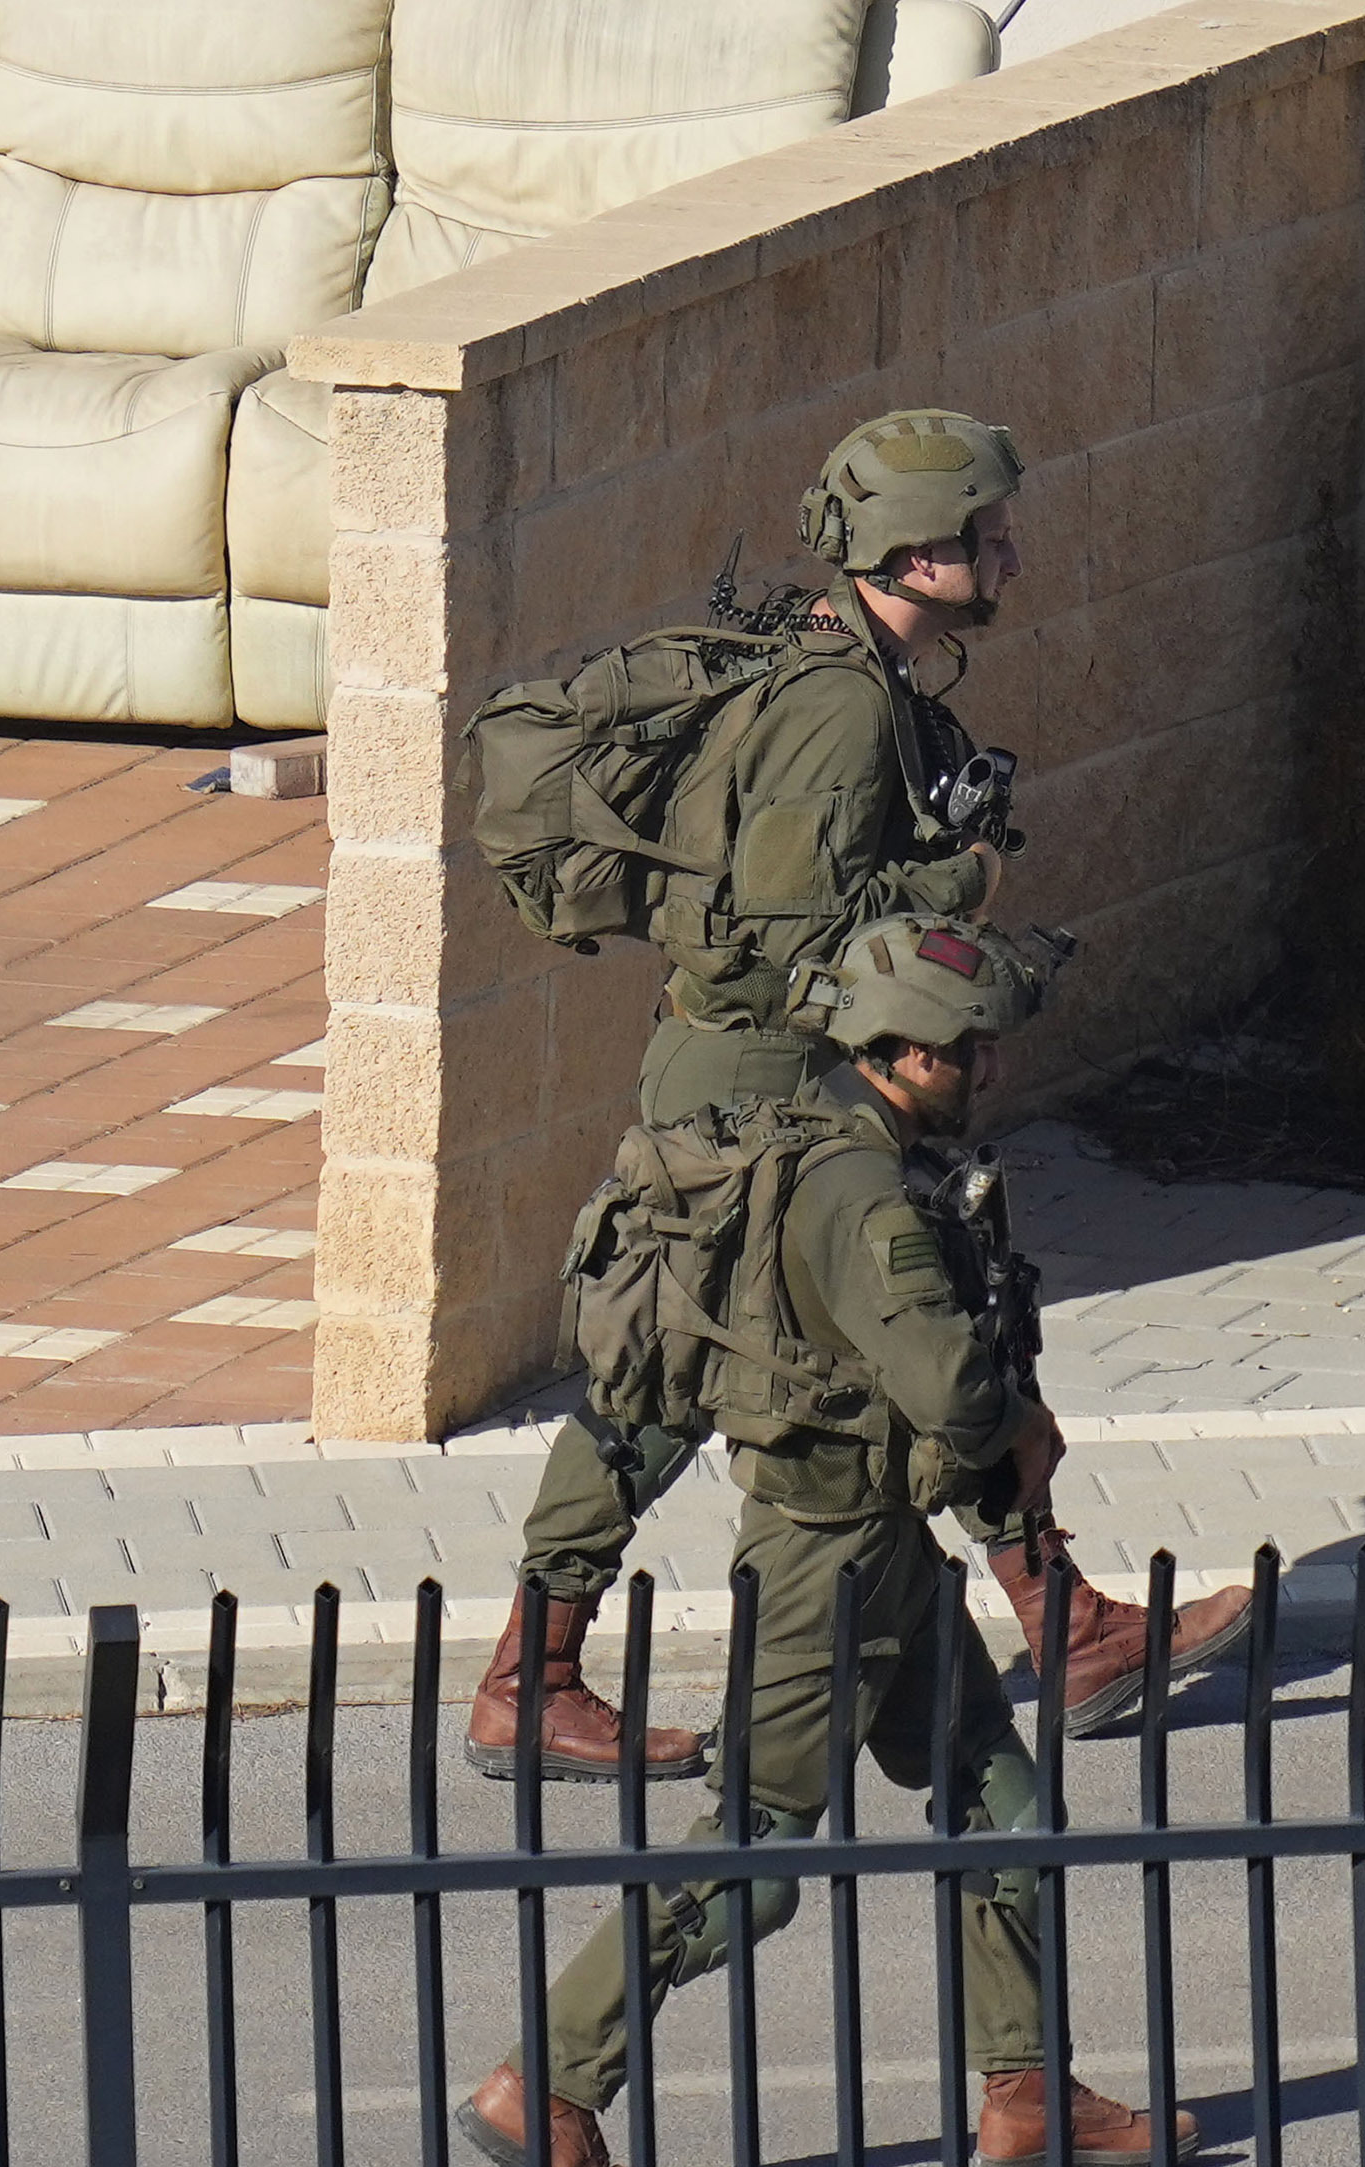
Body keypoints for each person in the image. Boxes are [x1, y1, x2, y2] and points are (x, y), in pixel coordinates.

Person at [473, 409, 1254, 1777]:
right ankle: (527, 1677)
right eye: (985, 534)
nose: (1009, 553)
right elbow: (790, 939)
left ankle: (1063, 1621)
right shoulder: (840, 709)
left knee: (927, 1336)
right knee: (665, 1380)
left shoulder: (864, 675)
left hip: (797, 1084)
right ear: (913, 550)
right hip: (763, 1092)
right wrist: (962, 884)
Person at [457, 916, 1203, 2167]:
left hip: (885, 1550)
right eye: (971, 1049)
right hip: (823, 1561)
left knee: (1001, 1802)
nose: (988, 1071)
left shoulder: (829, 1137)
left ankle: (1026, 2092)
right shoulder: (859, 1196)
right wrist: (1019, 1423)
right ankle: (552, 2077)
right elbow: (948, 1392)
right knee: (754, 1860)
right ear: (909, 1054)